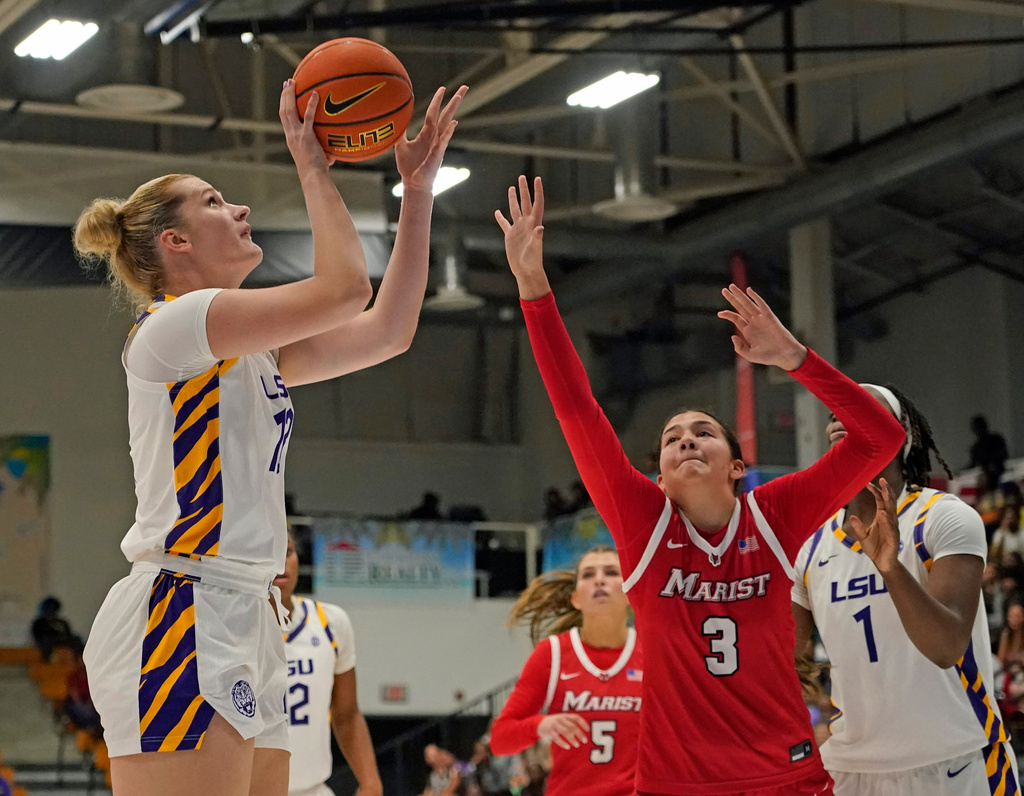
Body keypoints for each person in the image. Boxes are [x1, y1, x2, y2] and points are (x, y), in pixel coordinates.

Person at [75, 78, 466, 796]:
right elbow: (347, 288)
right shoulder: (172, 327)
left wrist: (417, 193)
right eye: (215, 201)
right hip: (181, 610)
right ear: (176, 241)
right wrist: (312, 163)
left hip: (251, 609)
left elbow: (388, 330)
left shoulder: (248, 349)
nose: (241, 207)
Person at [495, 175, 904, 795]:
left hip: (786, 778)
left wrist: (794, 356)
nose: (686, 439)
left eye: (704, 432)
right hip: (676, 785)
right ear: (657, 475)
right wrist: (533, 288)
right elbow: (577, 410)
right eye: (671, 437)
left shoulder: (774, 513)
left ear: (736, 467)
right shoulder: (642, 521)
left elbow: (881, 440)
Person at [792, 384, 1018, 795]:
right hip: (848, 769)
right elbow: (782, 659)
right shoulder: (808, 545)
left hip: (956, 760)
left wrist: (892, 569)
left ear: (902, 433)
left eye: (860, 405)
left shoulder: (943, 516)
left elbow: (946, 646)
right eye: (834, 412)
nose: (840, 415)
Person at [490, 546, 642, 796]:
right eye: (588, 574)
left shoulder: (651, 653)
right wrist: (541, 725)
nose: (600, 579)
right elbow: (500, 740)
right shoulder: (553, 654)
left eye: (612, 572)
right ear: (576, 599)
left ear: (630, 593)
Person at [276, 531, 380, 796]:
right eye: (267, 554)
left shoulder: (330, 622)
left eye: (287, 551)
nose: (279, 561)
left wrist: (370, 784)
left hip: (314, 789)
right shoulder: (234, 628)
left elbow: (346, 715)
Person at [30, 596, 83, 661]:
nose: (52, 612)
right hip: (49, 643)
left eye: (53, 609)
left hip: (62, 641)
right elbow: (37, 637)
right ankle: (47, 660)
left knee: (77, 639)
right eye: (50, 609)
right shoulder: (39, 623)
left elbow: (68, 634)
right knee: (47, 641)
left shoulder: (62, 622)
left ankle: (80, 659)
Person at [970, 415, 1009, 485]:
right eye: (977, 428)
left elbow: (1004, 454)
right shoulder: (977, 448)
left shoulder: (997, 440)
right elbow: (973, 464)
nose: (979, 430)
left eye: (980, 427)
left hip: (1001, 475)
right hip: (987, 478)